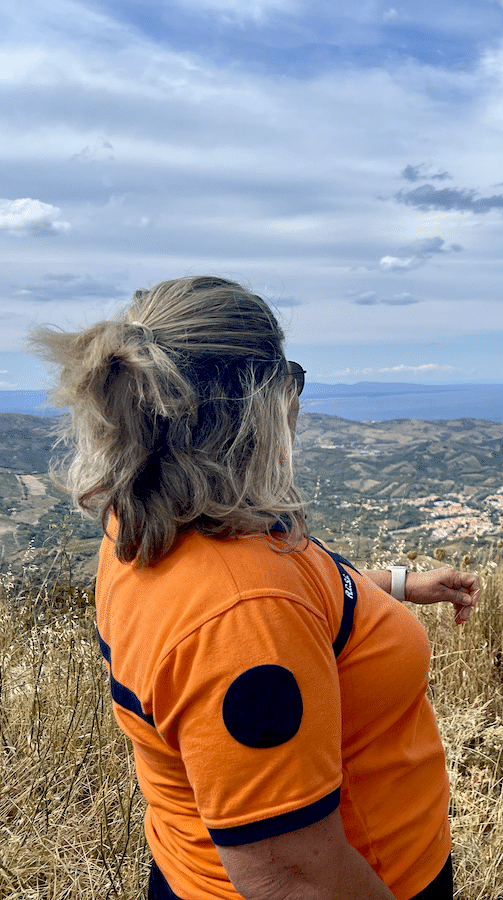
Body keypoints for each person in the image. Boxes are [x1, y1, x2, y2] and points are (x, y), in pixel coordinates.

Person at [32, 275, 480, 900]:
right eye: (291, 377)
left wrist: (400, 585)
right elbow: (293, 877)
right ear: (258, 401)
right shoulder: (243, 613)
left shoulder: (154, 521)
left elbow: (307, 600)